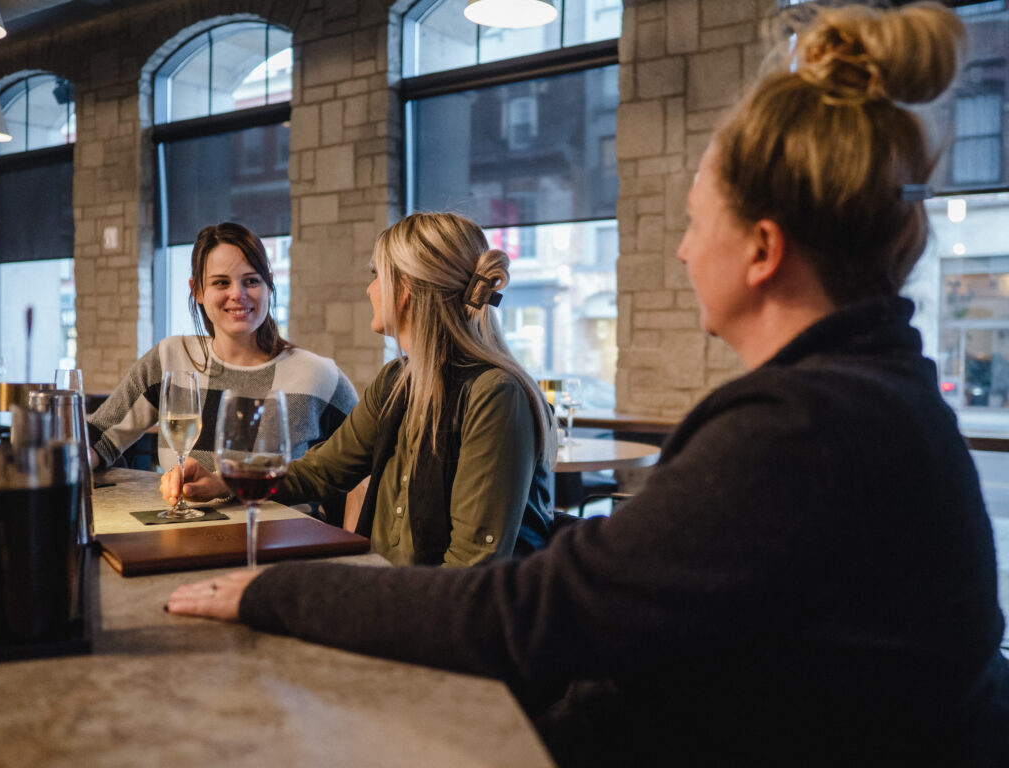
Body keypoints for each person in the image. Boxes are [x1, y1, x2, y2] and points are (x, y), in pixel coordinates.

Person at [168, 4, 1009, 765]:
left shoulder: (807, 428)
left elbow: (531, 614)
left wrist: (275, 593)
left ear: (762, 247)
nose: (680, 251)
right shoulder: (861, 398)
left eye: (692, 220)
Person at [164, 212, 556, 566]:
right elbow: (322, 471)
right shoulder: (396, 382)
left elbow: (471, 567)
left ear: (406, 290)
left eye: (376, 275)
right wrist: (223, 482)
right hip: (393, 595)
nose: (370, 290)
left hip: (444, 621)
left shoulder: (495, 395)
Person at [88, 222, 358, 519]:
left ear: (269, 286)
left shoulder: (319, 376)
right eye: (220, 283)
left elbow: (365, 465)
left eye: (251, 281)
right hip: (185, 540)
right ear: (198, 290)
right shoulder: (170, 358)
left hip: (285, 548)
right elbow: (99, 435)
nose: (238, 294)